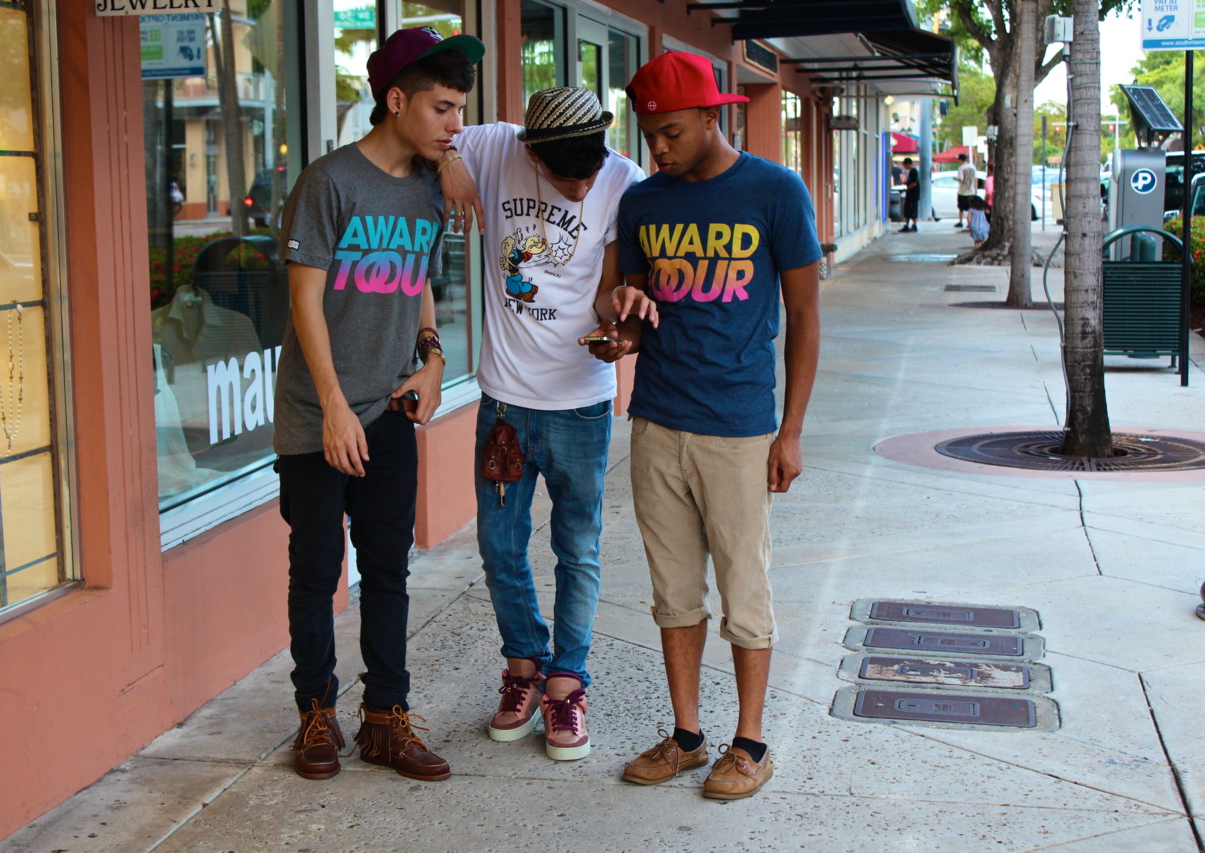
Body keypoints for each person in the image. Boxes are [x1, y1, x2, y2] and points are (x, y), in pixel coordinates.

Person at [273, 25, 483, 782]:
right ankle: (315, 713)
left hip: (391, 408)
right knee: (316, 571)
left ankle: (386, 720)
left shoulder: (430, 187)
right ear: (396, 101)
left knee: (389, 570)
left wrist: (433, 360)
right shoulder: (328, 182)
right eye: (442, 108)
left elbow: (419, 278)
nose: (455, 125)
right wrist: (332, 406)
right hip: (317, 415)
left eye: (460, 110)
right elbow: (304, 301)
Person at [613, 51, 821, 801]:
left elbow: (804, 314)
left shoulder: (775, 190)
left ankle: (751, 743)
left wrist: (790, 431)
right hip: (656, 420)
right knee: (672, 589)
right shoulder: (642, 202)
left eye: (670, 132)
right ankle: (688, 735)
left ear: (711, 116)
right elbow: (633, 309)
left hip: (738, 426)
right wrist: (618, 332)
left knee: (744, 586)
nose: (658, 149)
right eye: (648, 136)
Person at [436, 87, 653, 761]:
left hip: (580, 405)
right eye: (566, 179)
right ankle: (523, 666)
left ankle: (567, 681)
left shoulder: (622, 179)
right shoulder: (493, 146)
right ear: (532, 154)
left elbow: (607, 294)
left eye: (589, 174)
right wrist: (447, 160)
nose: (581, 187)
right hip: (503, 403)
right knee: (499, 548)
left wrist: (616, 328)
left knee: (577, 548)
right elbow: (420, 126)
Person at [955, 152, 977, 228]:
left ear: (961, 160)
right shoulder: (973, 167)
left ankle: (960, 221)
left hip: (963, 191)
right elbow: (975, 178)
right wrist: (975, 189)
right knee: (970, 207)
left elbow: (961, 179)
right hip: (971, 191)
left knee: (961, 207)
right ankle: (969, 221)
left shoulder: (961, 168)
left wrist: (955, 179)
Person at [901, 157, 919, 232]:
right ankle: (907, 225)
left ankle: (914, 225)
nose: (904, 167)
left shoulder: (914, 171)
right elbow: (911, 182)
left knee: (912, 209)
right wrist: (904, 183)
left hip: (913, 195)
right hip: (910, 194)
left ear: (908, 164)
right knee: (907, 210)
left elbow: (914, 183)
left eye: (904, 165)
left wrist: (906, 189)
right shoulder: (911, 171)